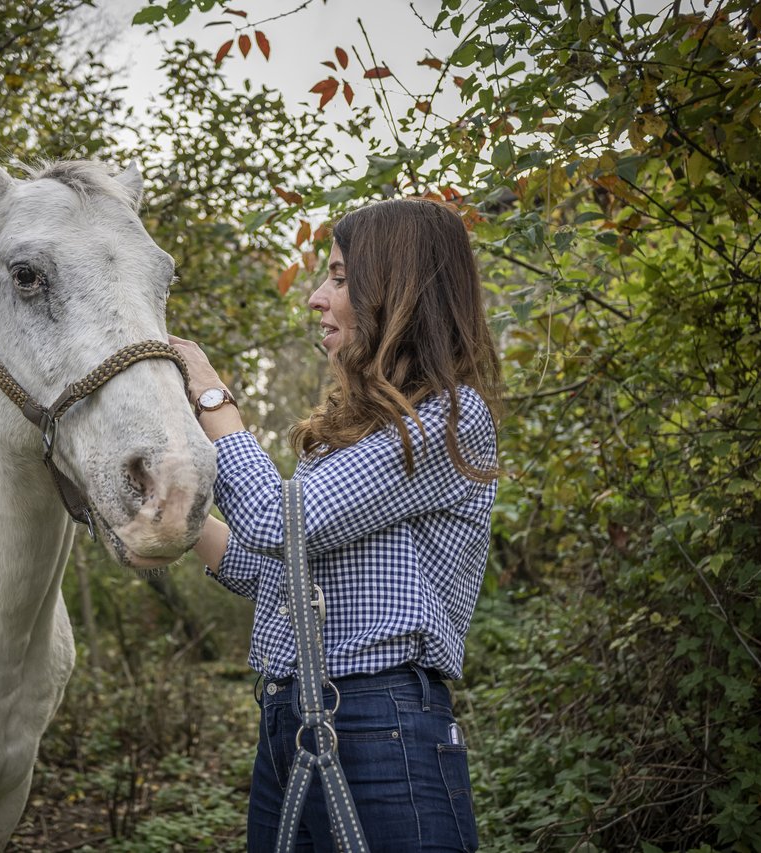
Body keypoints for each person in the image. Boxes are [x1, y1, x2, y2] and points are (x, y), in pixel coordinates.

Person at [169, 196, 500, 853]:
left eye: (341, 278)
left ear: (397, 291)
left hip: (380, 726)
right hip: (290, 717)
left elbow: (275, 519)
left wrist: (210, 393)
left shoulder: (447, 420)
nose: (318, 297)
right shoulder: (355, 436)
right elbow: (266, 568)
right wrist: (169, 511)